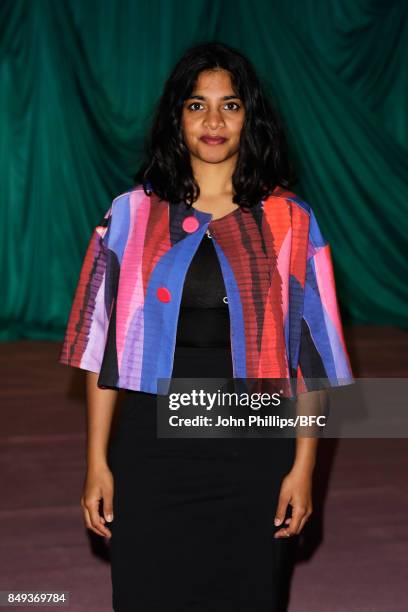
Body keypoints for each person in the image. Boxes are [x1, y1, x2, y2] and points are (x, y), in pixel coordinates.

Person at [59, 42, 353, 611]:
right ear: (177, 117)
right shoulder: (128, 215)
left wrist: (303, 468)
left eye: (230, 105)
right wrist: (97, 462)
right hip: (151, 447)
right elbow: (102, 353)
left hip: (254, 450)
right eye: (197, 105)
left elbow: (312, 360)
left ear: (251, 117)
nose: (213, 121)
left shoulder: (292, 221)